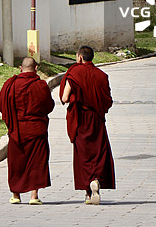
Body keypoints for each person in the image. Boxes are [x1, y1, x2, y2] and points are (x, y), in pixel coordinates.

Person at [59, 45, 115, 205]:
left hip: (80, 118)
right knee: (98, 153)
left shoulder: (75, 73)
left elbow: (64, 98)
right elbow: (107, 101)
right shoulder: (102, 75)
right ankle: (96, 179)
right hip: (96, 119)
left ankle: (88, 194)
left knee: (83, 155)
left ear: (79, 57)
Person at [0, 56, 54, 205]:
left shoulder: (10, 85)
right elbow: (49, 106)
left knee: (17, 162)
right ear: (36, 69)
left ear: (20, 68)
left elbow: (1, 104)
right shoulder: (40, 85)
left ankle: (15, 195)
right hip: (36, 130)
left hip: (17, 130)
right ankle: (34, 196)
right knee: (37, 162)